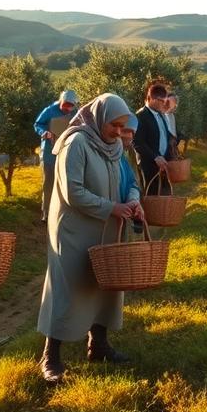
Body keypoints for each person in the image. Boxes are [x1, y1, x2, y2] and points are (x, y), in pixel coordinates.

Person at [37, 93, 146, 384]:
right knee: (68, 286)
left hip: (107, 226)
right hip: (74, 230)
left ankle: (98, 346)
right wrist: (113, 207)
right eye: (114, 125)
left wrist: (132, 201)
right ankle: (50, 357)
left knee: (104, 285)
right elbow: (73, 192)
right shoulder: (76, 143)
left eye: (123, 127)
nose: (119, 133)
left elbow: (128, 182)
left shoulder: (112, 147)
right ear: (99, 118)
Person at [33, 89, 78, 222]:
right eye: (65, 105)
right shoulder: (50, 110)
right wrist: (44, 132)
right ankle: (46, 213)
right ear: (61, 101)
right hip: (49, 153)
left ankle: (64, 213)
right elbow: (37, 124)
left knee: (67, 182)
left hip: (68, 152)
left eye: (71, 105)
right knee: (49, 183)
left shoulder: (75, 112)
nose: (67, 108)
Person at [132, 82, 172, 191]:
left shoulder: (160, 115)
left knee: (165, 198)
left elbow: (164, 136)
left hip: (163, 164)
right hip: (149, 166)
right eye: (162, 101)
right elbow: (137, 143)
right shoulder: (140, 116)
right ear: (152, 99)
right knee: (151, 198)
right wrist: (155, 157)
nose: (164, 104)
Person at [163, 91, 187, 159]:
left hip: (172, 152)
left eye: (175, 104)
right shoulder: (160, 116)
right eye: (172, 103)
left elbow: (174, 133)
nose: (174, 106)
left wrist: (181, 139)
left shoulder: (171, 116)